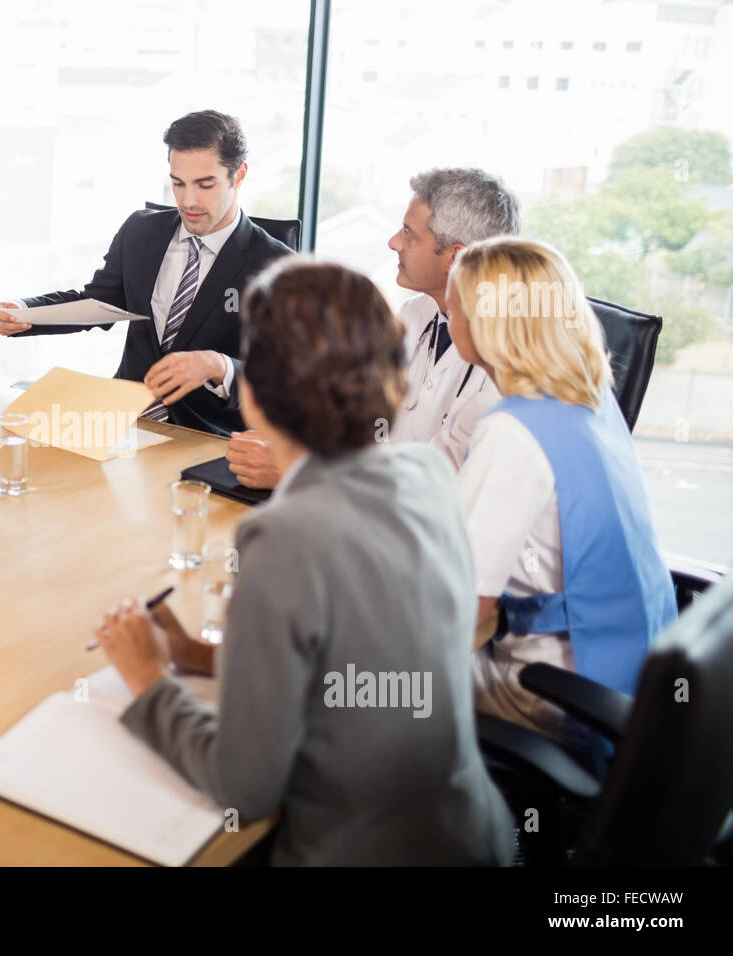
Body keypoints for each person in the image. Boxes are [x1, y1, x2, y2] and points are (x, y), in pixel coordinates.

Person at [94, 259, 513, 866]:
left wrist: (147, 683)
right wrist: (201, 657)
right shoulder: (426, 474)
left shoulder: (283, 535)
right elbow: (352, 657)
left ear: (255, 393)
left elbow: (245, 787)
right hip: (470, 836)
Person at [445, 237, 677, 746]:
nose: (447, 313)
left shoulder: (510, 432)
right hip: (636, 671)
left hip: (553, 689)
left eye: (454, 300)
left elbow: (459, 608)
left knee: (360, 689)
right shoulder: (589, 396)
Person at [0, 110, 292, 435]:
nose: (188, 201)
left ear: (239, 175)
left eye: (205, 185)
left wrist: (219, 366)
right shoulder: (141, 232)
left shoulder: (277, 267)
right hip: (123, 424)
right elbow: (98, 304)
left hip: (207, 437)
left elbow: (286, 377)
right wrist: (27, 312)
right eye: (178, 183)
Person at [225, 167, 519, 486]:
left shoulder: (510, 360)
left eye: (409, 233)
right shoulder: (414, 314)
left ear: (457, 258)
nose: (394, 242)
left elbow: (444, 477)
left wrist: (301, 472)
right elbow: (360, 422)